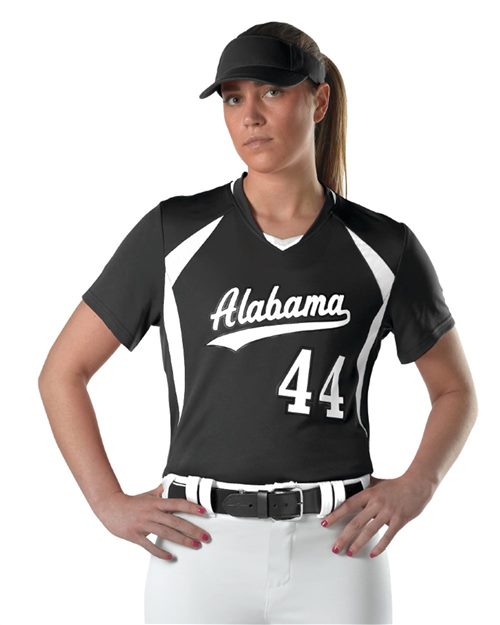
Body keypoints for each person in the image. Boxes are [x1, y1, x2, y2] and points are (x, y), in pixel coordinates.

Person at [38, 20, 478, 625]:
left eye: (272, 91)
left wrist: (419, 484)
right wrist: (106, 502)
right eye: (232, 98)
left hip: (338, 546)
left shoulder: (384, 246)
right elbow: (62, 371)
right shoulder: (174, 234)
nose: (250, 115)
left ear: (318, 101)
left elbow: (455, 391)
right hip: (199, 544)